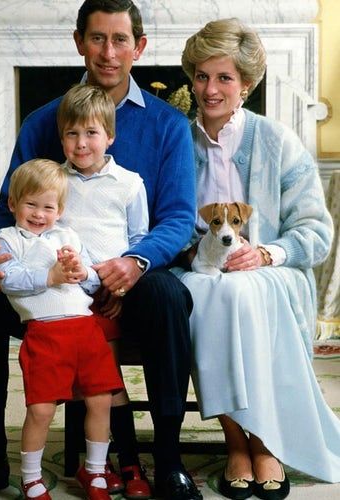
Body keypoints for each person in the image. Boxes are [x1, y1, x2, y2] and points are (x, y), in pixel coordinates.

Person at [0, 1, 201, 499]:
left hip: (132, 275)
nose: (108, 53)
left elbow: (177, 219)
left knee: (168, 298)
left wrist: (133, 264)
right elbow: (11, 207)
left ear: (139, 47)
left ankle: (169, 457)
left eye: (120, 40)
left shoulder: (166, 125)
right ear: (79, 42)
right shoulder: (44, 122)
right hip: (51, 280)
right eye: (97, 39)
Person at [171, 18, 340, 500]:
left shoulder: (278, 141)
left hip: (272, 275)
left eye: (224, 77)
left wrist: (266, 251)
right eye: (202, 76)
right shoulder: (177, 142)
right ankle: (235, 442)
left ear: (246, 84)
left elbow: (316, 233)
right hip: (202, 272)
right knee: (210, 290)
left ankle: (263, 441)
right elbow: (163, 222)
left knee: (240, 290)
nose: (210, 88)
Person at [0, 158, 124, 500]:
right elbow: (8, 279)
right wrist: (50, 276)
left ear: (60, 209)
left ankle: (95, 471)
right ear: (13, 204)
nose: (39, 214)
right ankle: (31, 477)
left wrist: (82, 272)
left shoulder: (68, 237)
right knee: (41, 409)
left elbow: (92, 283)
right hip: (45, 334)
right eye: (31, 205)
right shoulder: (9, 239)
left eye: (48, 206)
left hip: (85, 330)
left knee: (100, 401)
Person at [58, 82, 152, 499]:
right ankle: (96, 464)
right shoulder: (54, 180)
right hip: (65, 299)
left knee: (106, 382)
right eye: (72, 134)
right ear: (62, 137)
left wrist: (122, 285)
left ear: (109, 136)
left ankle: (127, 459)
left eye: (91, 133)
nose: (81, 143)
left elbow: (140, 238)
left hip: (109, 298)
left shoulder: (129, 183)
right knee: (84, 383)